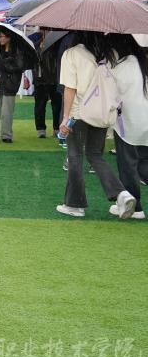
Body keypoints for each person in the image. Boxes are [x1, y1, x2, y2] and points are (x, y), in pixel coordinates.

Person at [56, 31, 136, 219]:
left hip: (78, 113)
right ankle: (121, 193)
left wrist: (65, 117)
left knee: (75, 156)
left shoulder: (72, 53)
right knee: (95, 155)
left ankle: (75, 204)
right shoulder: (109, 54)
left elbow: (70, 88)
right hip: (102, 112)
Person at [109, 33, 148, 219]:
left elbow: (111, 95)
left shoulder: (120, 66)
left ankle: (136, 208)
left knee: (128, 165)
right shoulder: (143, 63)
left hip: (128, 124)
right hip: (145, 122)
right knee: (143, 164)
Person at [0, 32, 25, 143]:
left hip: (10, 84)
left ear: (9, 38)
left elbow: (18, 66)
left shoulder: (17, 51)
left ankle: (6, 135)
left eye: (3, 36)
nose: (0, 39)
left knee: (7, 111)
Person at [32, 32, 63, 139]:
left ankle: (57, 128)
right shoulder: (35, 46)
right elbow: (33, 61)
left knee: (57, 106)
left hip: (55, 79)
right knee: (40, 106)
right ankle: (40, 129)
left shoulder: (58, 45)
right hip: (40, 80)